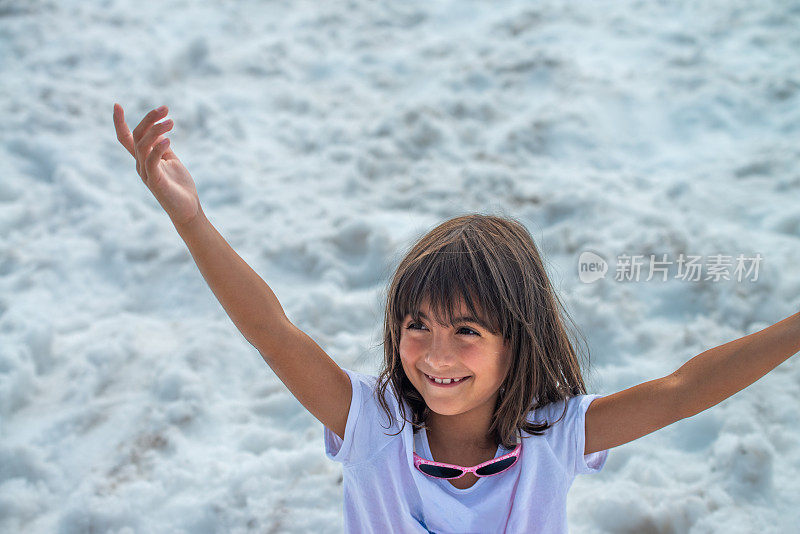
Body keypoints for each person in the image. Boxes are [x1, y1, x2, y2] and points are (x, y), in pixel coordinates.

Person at [113, 104, 800, 533]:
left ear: (515, 341)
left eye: (466, 330)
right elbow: (272, 330)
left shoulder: (555, 435)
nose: (436, 354)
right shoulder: (371, 426)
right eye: (418, 324)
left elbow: (685, 391)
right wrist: (192, 220)